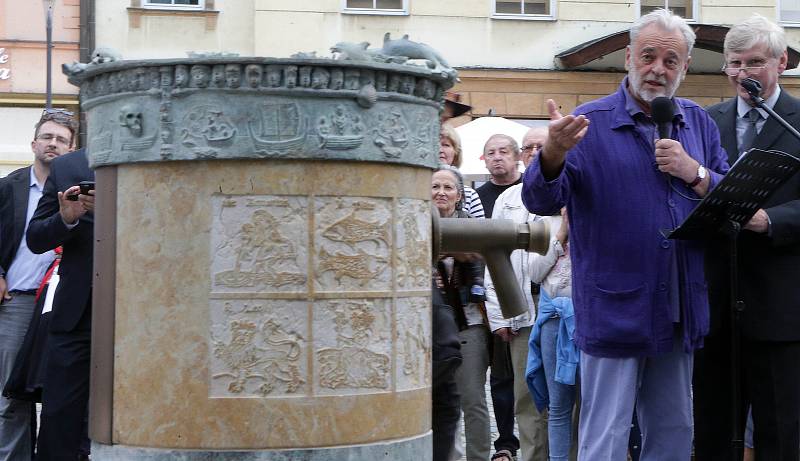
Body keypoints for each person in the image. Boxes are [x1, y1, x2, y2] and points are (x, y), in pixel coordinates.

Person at [522, 9, 729, 460]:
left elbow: (730, 199)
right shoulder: (587, 122)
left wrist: (695, 172)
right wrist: (553, 153)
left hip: (679, 307)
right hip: (615, 307)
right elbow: (538, 200)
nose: (658, 69)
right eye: (649, 56)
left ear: (686, 67)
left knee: (674, 432)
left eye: (671, 60)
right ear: (628, 57)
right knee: (606, 437)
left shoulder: (698, 122)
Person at [694, 14, 800, 461]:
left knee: (781, 435)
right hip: (716, 302)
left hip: (780, 306)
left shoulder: (797, 121)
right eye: (734, 64)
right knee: (714, 431)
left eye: (755, 62)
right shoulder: (705, 121)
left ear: (781, 63)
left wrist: (771, 221)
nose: (743, 73)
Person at [0, 108, 77, 461]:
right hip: (18, 301)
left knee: (59, 390)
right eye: (47, 137)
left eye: (61, 139)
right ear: (33, 143)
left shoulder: (81, 187)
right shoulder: (9, 187)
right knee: (12, 393)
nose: (53, 144)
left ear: (72, 148)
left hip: (63, 304)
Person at [484, 126, 550, 461]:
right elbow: (493, 258)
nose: (535, 152)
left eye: (543, 146)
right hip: (522, 305)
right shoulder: (508, 200)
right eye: (529, 148)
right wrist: (500, 315)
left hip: (565, 304)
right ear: (522, 156)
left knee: (570, 392)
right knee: (526, 395)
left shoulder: (572, 191)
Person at [26, 147, 94, 460]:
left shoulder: (153, 156)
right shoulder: (68, 166)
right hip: (76, 313)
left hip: (143, 309)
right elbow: (36, 237)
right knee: (59, 417)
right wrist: (65, 219)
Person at [432, 165, 490, 461]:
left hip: (468, 322)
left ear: (459, 195)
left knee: (473, 399)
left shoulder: (471, 226)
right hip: (427, 327)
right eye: (435, 187)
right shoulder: (414, 222)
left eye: (448, 187)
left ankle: (478, 457)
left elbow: (480, 259)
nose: (441, 193)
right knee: (437, 401)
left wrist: (447, 249)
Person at [525, 209, 579, 461]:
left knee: (592, 404)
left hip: (591, 321)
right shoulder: (545, 224)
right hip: (554, 321)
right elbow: (534, 274)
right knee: (558, 405)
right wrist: (561, 235)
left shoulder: (600, 216)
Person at [440, 124, 485, 218]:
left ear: (456, 152)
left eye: (446, 145)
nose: (440, 150)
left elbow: (480, 230)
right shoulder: (417, 192)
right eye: (434, 144)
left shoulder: (470, 194)